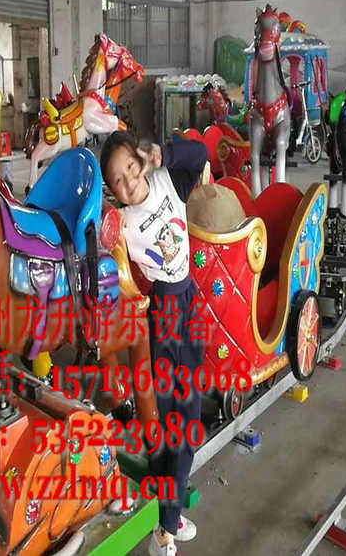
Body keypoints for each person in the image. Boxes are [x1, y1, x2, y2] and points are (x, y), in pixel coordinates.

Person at [100, 131, 208, 556]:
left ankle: (168, 517)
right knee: (175, 422)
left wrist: (164, 153)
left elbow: (200, 153)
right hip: (162, 310)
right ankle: (165, 528)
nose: (128, 182)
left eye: (130, 167)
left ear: (141, 160)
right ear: (112, 189)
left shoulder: (167, 180)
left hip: (189, 299)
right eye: (118, 180)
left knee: (185, 419)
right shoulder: (121, 224)